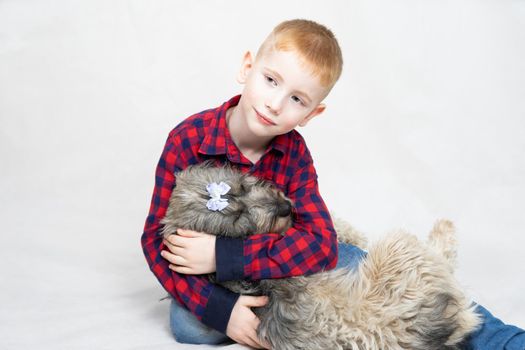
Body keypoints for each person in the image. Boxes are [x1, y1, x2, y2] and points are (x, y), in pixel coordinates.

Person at [141, 19, 525, 349]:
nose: (275, 104)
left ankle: (499, 338)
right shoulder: (188, 138)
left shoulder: (294, 153)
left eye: (296, 98)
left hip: (282, 262)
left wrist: (225, 256)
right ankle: (252, 316)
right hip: (226, 278)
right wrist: (222, 312)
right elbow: (154, 241)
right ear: (247, 67)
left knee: (359, 265)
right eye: (270, 80)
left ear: (312, 113)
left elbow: (320, 245)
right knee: (188, 326)